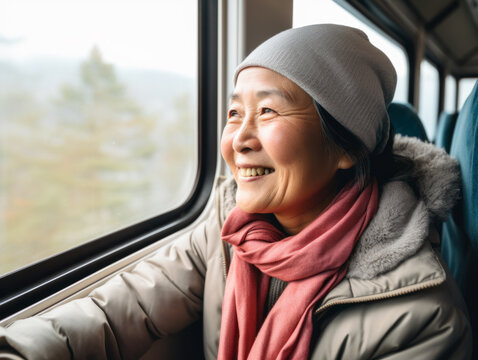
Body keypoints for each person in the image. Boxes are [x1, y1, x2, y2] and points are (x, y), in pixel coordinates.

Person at [0, 24, 472, 359]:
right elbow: (124, 307)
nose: (239, 140)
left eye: (268, 112)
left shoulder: (421, 312)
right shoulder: (229, 232)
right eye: (234, 114)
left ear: (346, 147)